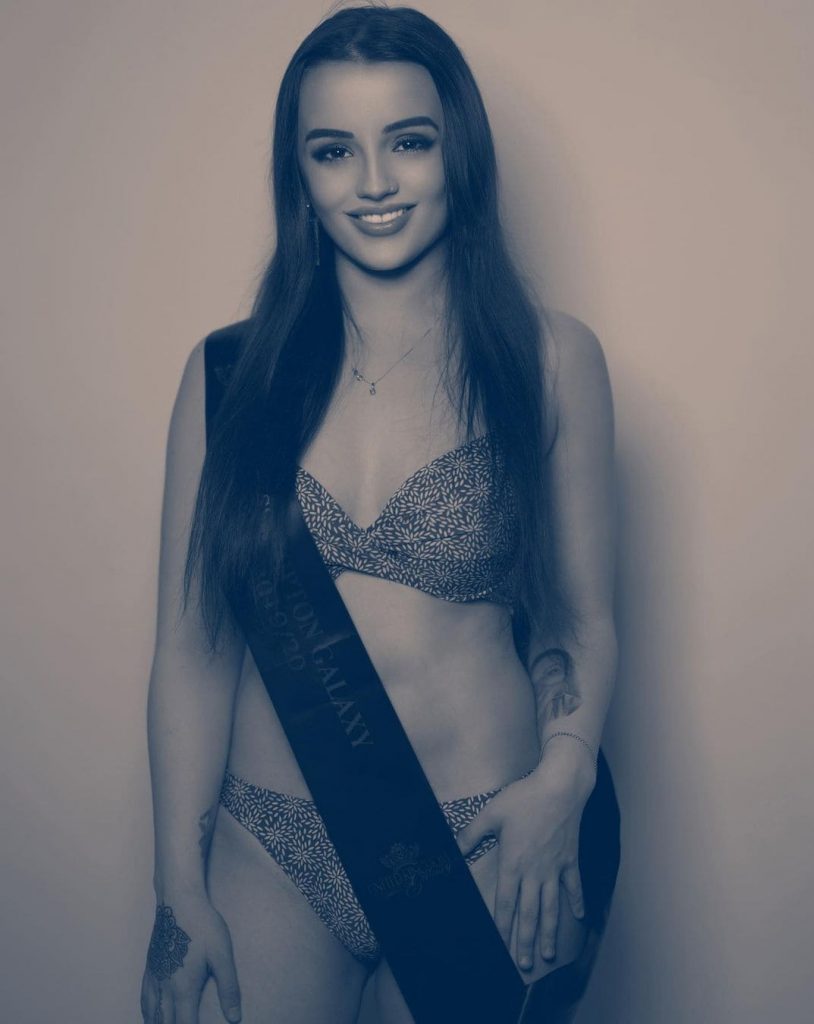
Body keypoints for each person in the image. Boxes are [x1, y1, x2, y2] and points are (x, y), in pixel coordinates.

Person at [140, 5, 620, 1023]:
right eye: (333, 151)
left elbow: (579, 620)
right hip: (266, 846)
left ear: (459, 152)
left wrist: (564, 781)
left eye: (407, 141)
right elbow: (190, 650)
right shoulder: (227, 375)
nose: (372, 182)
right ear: (299, 175)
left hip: (484, 835)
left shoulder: (549, 361)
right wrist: (178, 888)